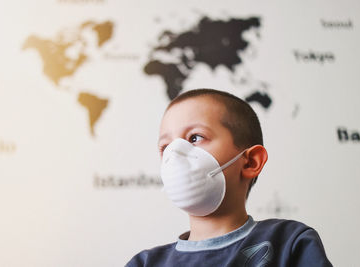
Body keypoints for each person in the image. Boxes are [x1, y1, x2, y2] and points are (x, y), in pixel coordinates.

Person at [126, 89, 332, 267]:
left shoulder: (288, 241)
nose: (175, 154)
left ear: (251, 162)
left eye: (194, 138)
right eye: (165, 147)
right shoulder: (146, 263)